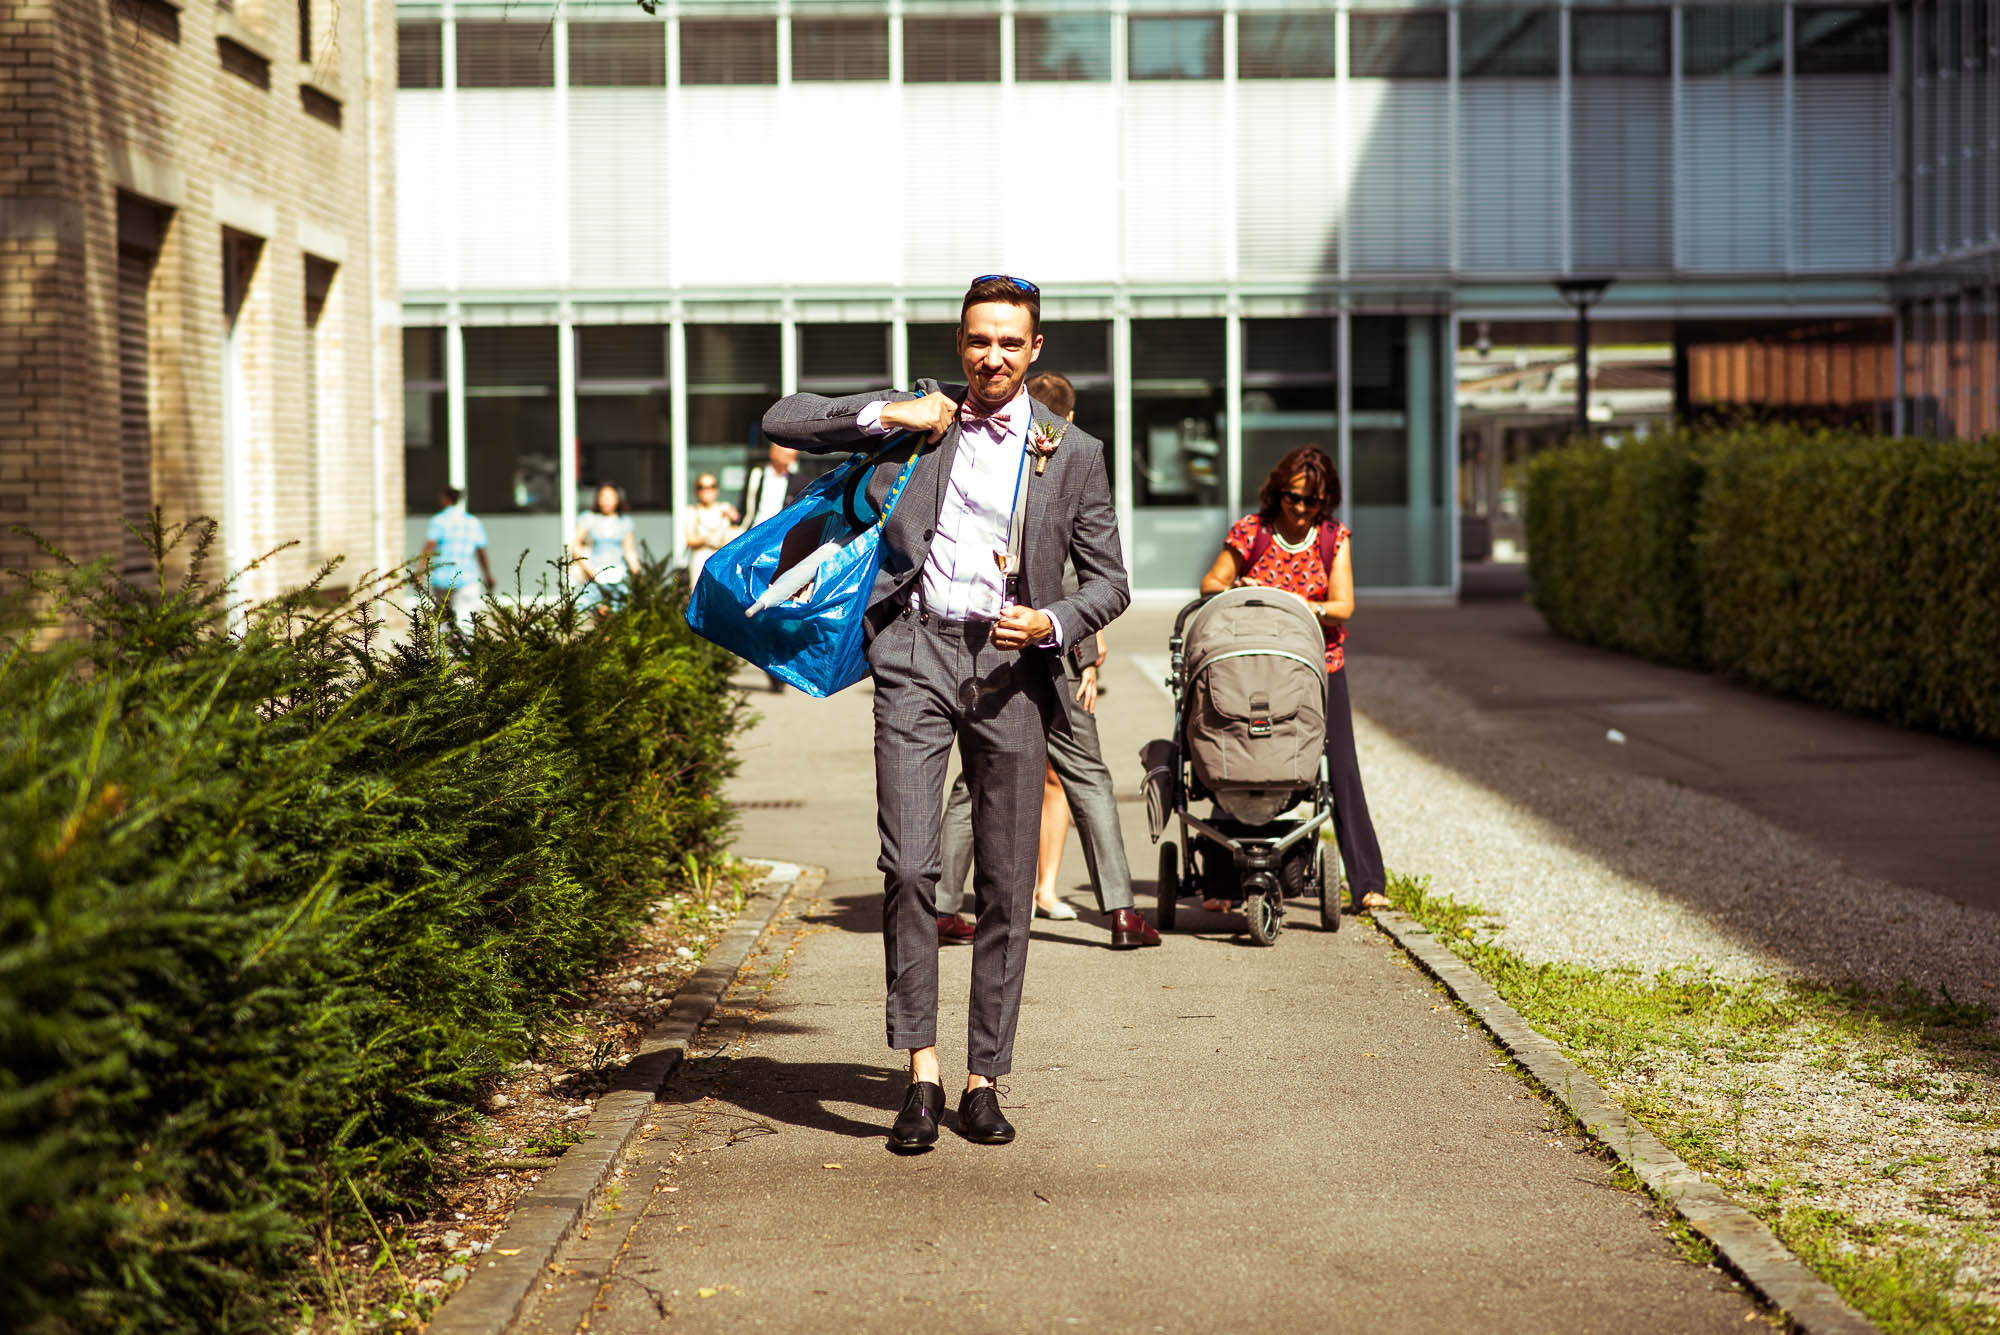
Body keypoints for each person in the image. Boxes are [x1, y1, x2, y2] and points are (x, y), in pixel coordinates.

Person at [762, 275, 1129, 1152]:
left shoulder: (1070, 451)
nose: (992, 356)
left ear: (1034, 351)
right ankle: (920, 1073)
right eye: (978, 340)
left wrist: (1053, 621)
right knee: (912, 866)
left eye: (1010, 342)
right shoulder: (921, 425)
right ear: (960, 344)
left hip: (1010, 671)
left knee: (1006, 882)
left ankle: (982, 1078)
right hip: (916, 654)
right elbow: (783, 418)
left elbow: (1112, 581)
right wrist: (893, 414)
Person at [935, 371, 1157, 951]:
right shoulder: (1057, 460)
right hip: (1049, 653)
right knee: (1088, 775)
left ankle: (939, 906)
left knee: (971, 781)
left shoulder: (1010, 466)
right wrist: (1088, 655)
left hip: (989, 648)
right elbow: (1075, 576)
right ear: (1066, 420)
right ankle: (1122, 912)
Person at [1198, 445, 1389, 914]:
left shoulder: (1332, 538)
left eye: (1312, 502)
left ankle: (1365, 881)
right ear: (1277, 493)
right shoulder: (1252, 531)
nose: (1301, 510)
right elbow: (1211, 584)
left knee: (1341, 766)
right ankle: (1222, 882)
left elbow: (1343, 606)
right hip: (1254, 665)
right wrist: (1242, 588)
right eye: (1293, 498)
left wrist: (1298, 604)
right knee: (1238, 756)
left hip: (1318, 666)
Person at [419, 486, 495, 632]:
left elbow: (429, 547)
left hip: (441, 578)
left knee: (443, 622)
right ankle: (465, 653)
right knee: (465, 620)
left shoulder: (439, 521)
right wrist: (488, 575)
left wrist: (420, 572)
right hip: (467, 578)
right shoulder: (473, 522)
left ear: (445, 499)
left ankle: (446, 654)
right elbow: (481, 552)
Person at [572, 483, 640, 618]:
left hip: (618, 575)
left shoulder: (624, 522)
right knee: (599, 615)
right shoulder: (589, 518)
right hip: (595, 574)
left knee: (617, 616)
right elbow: (576, 545)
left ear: (618, 499)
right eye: (603, 496)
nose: (606, 500)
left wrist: (637, 572)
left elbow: (629, 550)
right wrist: (587, 568)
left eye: (610, 496)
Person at [682, 473, 739, 583]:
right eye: (702, 487)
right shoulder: (692, 511)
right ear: (696, 491)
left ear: (717, 489)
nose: (707, 491)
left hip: (723, 561)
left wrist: (734, 518)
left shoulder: (725, 508)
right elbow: (690, 540)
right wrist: (709, 538)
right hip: (701, 562)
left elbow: (739, 530)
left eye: (712, 486)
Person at [741, 441, 805, 531]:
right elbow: (745, 504)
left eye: (791, 456)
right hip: (753, 528)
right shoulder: (756, 475)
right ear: (772, 453)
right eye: (785, 455)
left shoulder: (798, 482)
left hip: (779, 533)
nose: (788, 459)